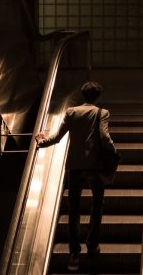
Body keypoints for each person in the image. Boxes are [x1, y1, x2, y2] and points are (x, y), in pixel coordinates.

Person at [34, 81, 115, 271]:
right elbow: (104, 137)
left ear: (82, 94)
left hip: (75, 167)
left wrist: (41, 141)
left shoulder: (71, 112)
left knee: (74, 211)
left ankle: (74, 254)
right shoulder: (102, 113)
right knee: (97, 206)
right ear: (97, 96)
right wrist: (113, 152)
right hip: (95, 167)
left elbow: (57, 137)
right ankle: (92, 245)